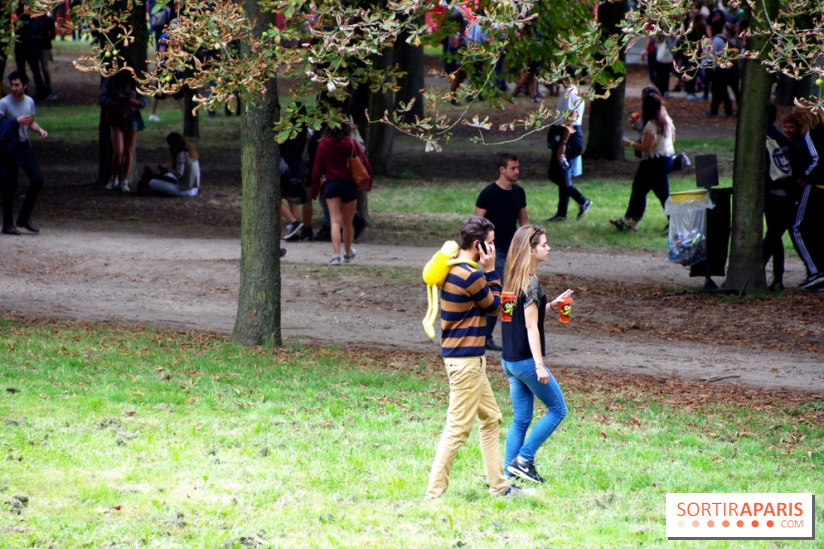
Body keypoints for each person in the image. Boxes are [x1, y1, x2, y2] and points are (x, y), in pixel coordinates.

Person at [425, 216, 527, 499]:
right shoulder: (469, 275)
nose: (493, 248)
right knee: (457, 429)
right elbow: (494, 306)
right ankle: (434, 494)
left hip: (466, 360)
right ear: (477, 245)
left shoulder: (452, 267)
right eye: (490, 243)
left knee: (492, 418)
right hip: (466, 362)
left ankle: (499, 486)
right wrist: (492, 270)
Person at [500, 224, 568, 484]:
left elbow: (519, 317)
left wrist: (552, 305)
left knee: (521, 419)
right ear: (530, 250)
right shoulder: (529, 282)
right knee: (558, 410)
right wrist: (539, 366)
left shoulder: (513, 277)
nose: (548, 248)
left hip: (510, 359)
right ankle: (524, 460)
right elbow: (530, 326)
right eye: (543, 245)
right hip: (527, 360)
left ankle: (508, 475)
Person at [475, 153, 529, 351]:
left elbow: (524, 221)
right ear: (502, 169)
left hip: (513, 250)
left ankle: (506, 336)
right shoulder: (488, 193)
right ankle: (486, 336)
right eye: (513, 168)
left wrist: (531, 240)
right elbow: (476, 224)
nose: (517, 171)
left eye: (517, 167)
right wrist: (481, 251)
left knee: (514, 292)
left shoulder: (519, 192)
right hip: (494, 251)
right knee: (500, 292)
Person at [610, 92, 675, 231]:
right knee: (647, 191)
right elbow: (670, 137)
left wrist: (630, 144)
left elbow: (647, 146)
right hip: (665, 158)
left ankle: (631, 222)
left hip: (654, 161)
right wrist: (639, 127)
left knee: (644, 190)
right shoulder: (664, 119)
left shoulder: (652, 124)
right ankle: (629, 221)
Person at [310, 122, 372, 266]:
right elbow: (366, 163)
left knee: (335, 221)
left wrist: (314, 190)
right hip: (349, 185)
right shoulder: (351, 143)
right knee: (348, 223)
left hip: (331, 185)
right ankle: (348, 252)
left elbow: (316, 170)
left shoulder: (323, 145)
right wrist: (369, 181)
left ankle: (336, 255)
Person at [0, 71, 49, 235]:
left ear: (25, 86)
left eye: (17, 85)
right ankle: (7, 223)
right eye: (11, 85)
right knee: (10, 184)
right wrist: (15, 121)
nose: (13, 88)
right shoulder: (4, 103)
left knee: (37, 179)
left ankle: (24, 217)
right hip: (10, 148)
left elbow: (30, 121)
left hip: (24, 145)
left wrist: (39, 129)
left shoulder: (29, 101)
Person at [546, 65, 592, 222]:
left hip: (568, 136)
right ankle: (562, 212)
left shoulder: (571, 93)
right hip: (564, 134)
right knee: (560, 174)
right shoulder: (568, 92)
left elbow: (571, 119)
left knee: (556, 173)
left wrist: (563, 143)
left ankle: (582, 200)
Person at [762, 105, 796, 292]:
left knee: (773, 234)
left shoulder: (764, 139)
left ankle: (760, 267)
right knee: (775, 235)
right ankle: (778, 277)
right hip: (785, 192)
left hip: (772, 192)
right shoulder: (781, 138)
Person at [99, 69, 147, 193]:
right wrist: (115, 102)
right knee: (118, 151)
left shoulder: (136, 82)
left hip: (133, 117)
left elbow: (143, 102)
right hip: (116, 117)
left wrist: (132, 101)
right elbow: (102, 98)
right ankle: (113, 178)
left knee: (128, 151)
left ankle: (124, 180)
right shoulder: (111, 81)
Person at [139, 132, 200, 197]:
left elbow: (179, 174)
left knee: (152, 182)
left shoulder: (181, 154)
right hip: (193, 188)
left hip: (186, 190)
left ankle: (149, 180)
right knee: (167, 175)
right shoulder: (189, 153)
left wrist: (169, 171)